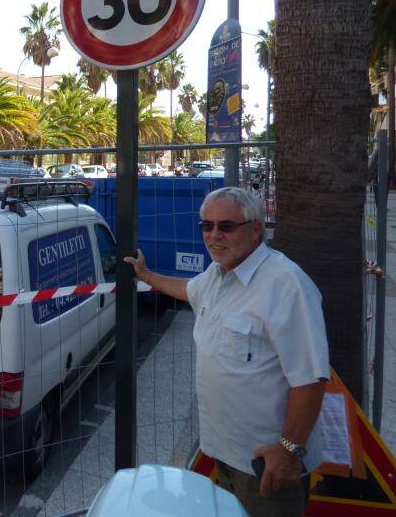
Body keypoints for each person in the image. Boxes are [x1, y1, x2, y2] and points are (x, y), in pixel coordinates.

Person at [125, 186, 329, 517]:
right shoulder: (218, 273)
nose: (214, 235)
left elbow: (310, 378)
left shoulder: (286, 284)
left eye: (226, 226)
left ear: (256, 228)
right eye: (207, 226)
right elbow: (188, 291)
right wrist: (147, 275)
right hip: (224, 453)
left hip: (267, 464)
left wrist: (289, 451)